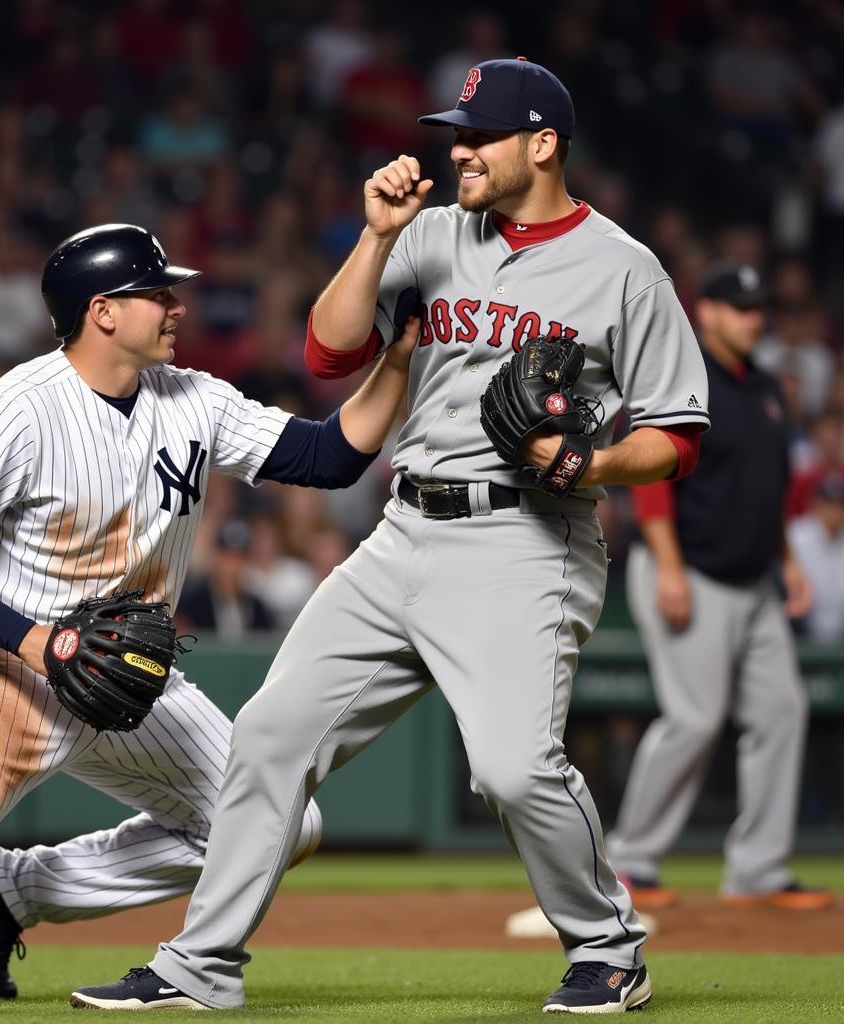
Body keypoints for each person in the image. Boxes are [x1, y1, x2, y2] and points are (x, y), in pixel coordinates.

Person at [72, 59, 711, 1015]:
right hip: (403, 527)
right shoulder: (433, 236)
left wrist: (592, 464)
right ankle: (198, 968)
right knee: (271, 736)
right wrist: (377, 239)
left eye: (478, 135)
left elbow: (678, 437)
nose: (458, 149)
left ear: (542, 145)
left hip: (527, 537)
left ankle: (609, 947)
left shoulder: (624, 268)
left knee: (512, 767)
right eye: (455, 132)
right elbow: (328, 353)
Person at [0, 223, 421, 1011]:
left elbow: (330, 457)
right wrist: (34, 642)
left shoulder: (192, 399)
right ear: (102, 311)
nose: (176, 306)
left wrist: (400, 356)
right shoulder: (17, 407)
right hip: (4, 666)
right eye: (157, 293)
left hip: (127, 677)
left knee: (280, 822)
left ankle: (7, 894)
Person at [607, 261, 832, 912]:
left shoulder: (763, 385)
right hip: (691, 570)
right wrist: (668, 565)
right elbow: (648, 477)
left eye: (758, 307)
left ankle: (759, 870)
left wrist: (787, 560)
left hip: (752, 578)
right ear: (703, 311)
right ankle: (630, 862)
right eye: (739, 307)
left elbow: (768, 485)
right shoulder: (679, 372)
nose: (753, 317)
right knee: (695, 718)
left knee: (782, 711)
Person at [786, 469, 844, 643]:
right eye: (828, 503)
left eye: (838, 504)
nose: (833, 511)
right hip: (801, 634)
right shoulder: (796, 536)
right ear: (815, 504)